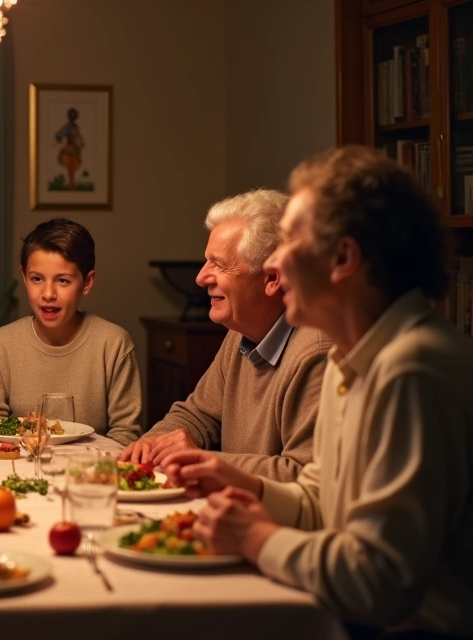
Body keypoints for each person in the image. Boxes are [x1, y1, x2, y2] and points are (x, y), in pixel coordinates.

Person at [164, 146, 473, 637]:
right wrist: (245, 486)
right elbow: (317, 501)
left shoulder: (413, 370)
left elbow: (379, 581)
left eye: (288, 241)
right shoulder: (350, 358)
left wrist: (258, 538)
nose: (275, 264)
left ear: (343, 258)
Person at [121, 189, 330, 481]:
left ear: (272, 278)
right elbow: (197, 415)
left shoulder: (316, 353)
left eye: (219, 264)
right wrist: (153, 443)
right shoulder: (240, 330)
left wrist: (204, 460)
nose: (201, 277)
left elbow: (302, 476)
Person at [0, 218, 142, 445]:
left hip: (87, 471)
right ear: (24, 277)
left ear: (87, 282)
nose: (48, 293)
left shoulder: (113, 344)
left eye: (63, 280)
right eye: (37, 279)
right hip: (23, 467)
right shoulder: (2, 343)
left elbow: (125, 434)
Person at [54, 108, 84, 189]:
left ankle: (72, 184)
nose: (72, 117)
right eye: (71, 115)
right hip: (70, 148)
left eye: (73, 115)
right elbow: (58, 136)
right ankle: (71, 184)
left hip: (74, 148)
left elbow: (79, 137)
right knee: (70, 166)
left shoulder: (75, 126)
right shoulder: (68, 127)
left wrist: (81, 142)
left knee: (72, 167)